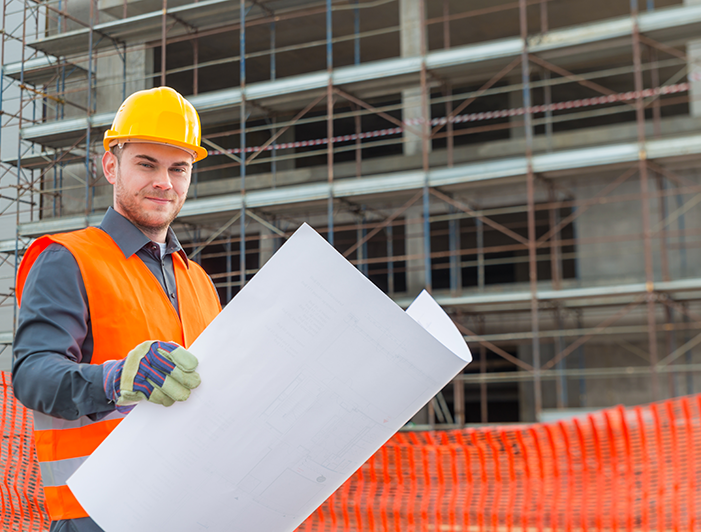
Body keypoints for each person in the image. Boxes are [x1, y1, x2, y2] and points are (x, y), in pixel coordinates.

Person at [12, 86, 222, 531]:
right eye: (146, 164)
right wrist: (113, 378)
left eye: (178, 168)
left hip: (192, 511)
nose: (163, 181)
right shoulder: (68, 259)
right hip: (96, 514)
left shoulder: (199, 282)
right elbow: (31, 374)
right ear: (111, 166)